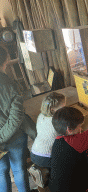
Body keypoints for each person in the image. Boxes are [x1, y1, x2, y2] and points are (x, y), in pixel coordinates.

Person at [48, 106, 88, 192]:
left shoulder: (58, 140)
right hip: (73, 188)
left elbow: (81, 149)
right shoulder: (75, 141)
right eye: (79, 126)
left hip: (55, 187)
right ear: (69, 130)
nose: (81, 129)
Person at [0, 46, 30, 191]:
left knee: (1, 173)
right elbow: (16, 116)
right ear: (5, 61)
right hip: (14, 136)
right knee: (18, 170)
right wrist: (2, 136)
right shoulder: (9, 84)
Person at [30, 92, 66, 168]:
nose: (65, 109)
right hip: (46, 157)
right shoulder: (57, 121)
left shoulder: (41, 115)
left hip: (34, 152)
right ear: (52, 109)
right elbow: (68, 134)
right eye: (63, 107)